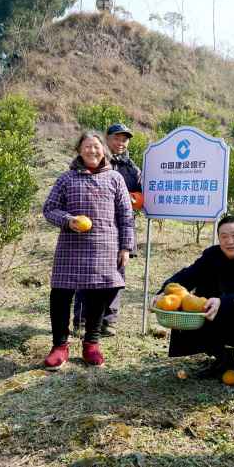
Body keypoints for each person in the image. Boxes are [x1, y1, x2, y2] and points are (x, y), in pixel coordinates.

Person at [153, 216, 234, 388]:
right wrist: (163, 292)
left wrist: (224, 302)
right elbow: (189, 274)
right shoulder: (213, 255)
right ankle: (225, 361)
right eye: (224, 236)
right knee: (193, 315)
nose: (229, 241)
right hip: (219, 311)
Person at [42, 131, 134, 370]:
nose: (92, 151)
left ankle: (91, 344)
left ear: (103, 150)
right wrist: (68, 220)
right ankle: (60, 346)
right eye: (87, 147)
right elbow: (49, 209)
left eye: (96, 147)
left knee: (99, 295)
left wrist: (126, 247)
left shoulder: (115, 179)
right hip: (71, 246)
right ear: (79, 150)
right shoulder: (66, 179)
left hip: (105, 246)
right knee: (61, 294)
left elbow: (126, 216)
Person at [73, 123, 142, 338]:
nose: (120, 143)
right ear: (107, 139)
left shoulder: (132, 168)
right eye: (116, 138)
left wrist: (133, 200)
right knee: (86, 274)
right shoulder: (96, 161)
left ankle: (108, 320)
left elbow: (141, 197)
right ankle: (82, 319)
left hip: (120, 227)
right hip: (92, 230)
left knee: (117, 275)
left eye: (125, 139)